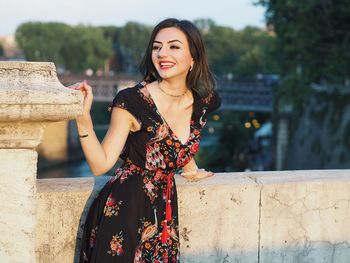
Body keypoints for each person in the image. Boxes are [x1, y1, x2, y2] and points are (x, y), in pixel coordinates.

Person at [69, 18, 221, 262]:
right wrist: (82, 117)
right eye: (156, 46)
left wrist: (190, 167)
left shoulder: (203, 102)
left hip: (164, 220)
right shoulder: (133, 102)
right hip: (123, 214)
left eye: (174, 46)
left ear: (193, 57)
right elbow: (100, 164)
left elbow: (180, 142)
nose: (162, 53)